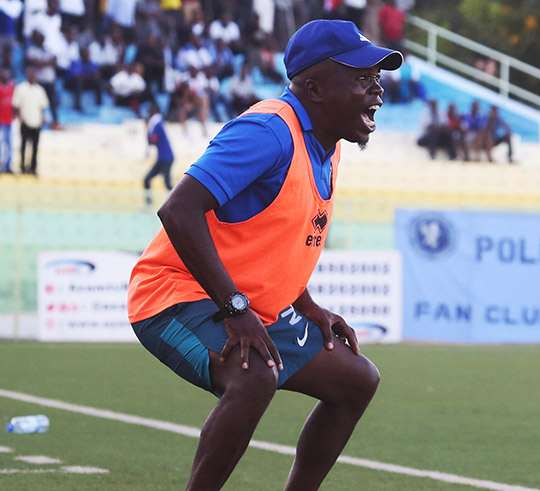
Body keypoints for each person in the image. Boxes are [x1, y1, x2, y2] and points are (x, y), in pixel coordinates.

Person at [126, 20, 402, 489]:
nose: (376, 91)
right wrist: (235, 310)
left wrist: (305, 302)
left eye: (376, 78)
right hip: (171, 296)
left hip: (248, 306)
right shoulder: (267, 130)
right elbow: (178, 210)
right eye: (362, 78)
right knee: (255, 377)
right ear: (314, 88)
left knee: (357, 379)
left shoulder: (326, 143)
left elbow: (274, 237)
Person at [12, 67, 49, 176]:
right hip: (25, 121)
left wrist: (42, 119)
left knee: (35, 147)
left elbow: (42, 107)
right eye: (31, 74)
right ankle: (22, 167)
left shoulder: (40, 90)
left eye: (34, 75)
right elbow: (16, 105)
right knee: (23, 146)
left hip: (36, 122)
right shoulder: (20, 88)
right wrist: (19, 117)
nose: (33, 76)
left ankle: (33, 168)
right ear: (27, 75)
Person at [143, 103, 174, 205]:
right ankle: (149, 203)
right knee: (149, 180)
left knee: (166, 183)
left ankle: (176, 203)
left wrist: (146, 128)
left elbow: (153, 140)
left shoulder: (156, 124)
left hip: (165, 158)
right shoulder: (158, 122)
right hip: (164, 157)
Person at [65, 46, 101, 111]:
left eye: (88, 53)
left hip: (85, 82)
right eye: (85, 53)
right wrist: (90, 76)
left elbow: (96, 75)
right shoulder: (76, 62)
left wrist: (87, 77)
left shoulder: (92, 63)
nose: (87, 55)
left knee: (98, 82)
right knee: (79, 83)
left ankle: (99, 103)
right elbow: (76, 77)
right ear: (81, 54)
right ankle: (77, 105)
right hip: (71, 84)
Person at [0, 68, 13, 173]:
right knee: (0, 144)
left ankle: (8, 165)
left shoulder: (12, 87)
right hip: (1, 121)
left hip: (9, 121)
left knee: (10, 144)